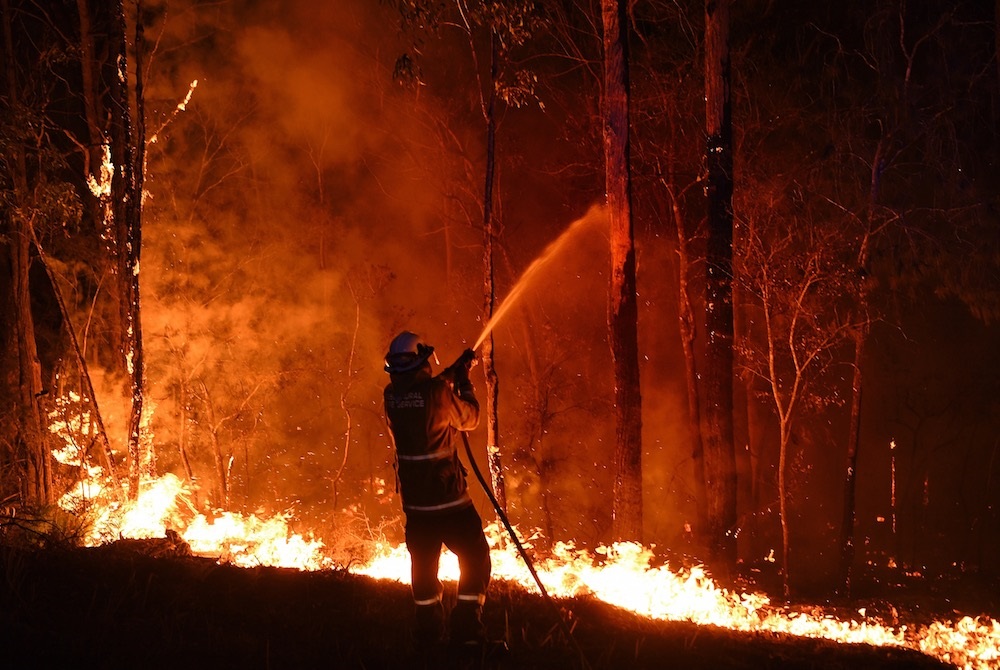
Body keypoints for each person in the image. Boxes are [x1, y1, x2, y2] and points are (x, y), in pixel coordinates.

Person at [382, 331, 492, 651]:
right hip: (450, 501)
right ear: (420, 361)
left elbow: (422, 394)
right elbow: (469, 418)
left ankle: (427, 633)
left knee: (424, 567)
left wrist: (453, 371)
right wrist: (465, 384)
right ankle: (467, 628)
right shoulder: (438, 394)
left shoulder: (391, 396)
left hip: (416, 506)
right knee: (475, 557)